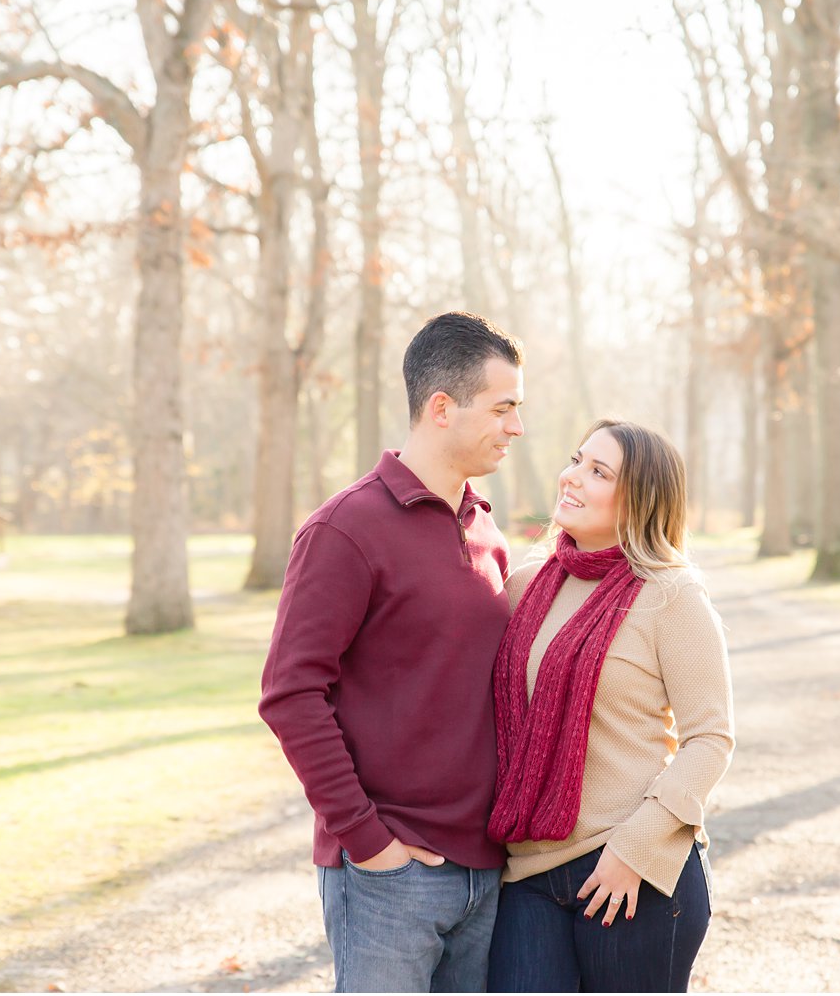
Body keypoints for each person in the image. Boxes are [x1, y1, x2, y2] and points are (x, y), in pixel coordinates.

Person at [258, 311, 525, 993]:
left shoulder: (487, 528)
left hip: (487, 874)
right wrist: (368, 842)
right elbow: (290, 695)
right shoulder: (346, 528)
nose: (514, 427)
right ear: (442, 408)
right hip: (390, 877)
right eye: (502, 408)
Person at [486, 419, 735, 993]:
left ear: (640, 500)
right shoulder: (526, 585)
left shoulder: (672, 595)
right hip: (527, 869)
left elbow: (711, 739)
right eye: (577, 460)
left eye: (598, 472)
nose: (571, 478)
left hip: (634, 869)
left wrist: (634, 847)